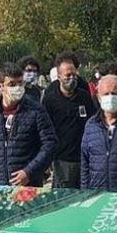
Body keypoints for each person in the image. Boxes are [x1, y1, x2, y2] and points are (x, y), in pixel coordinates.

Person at [0, 63, 57, 187]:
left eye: (20, 83)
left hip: (28, 186)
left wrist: (29, 172)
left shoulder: (36, 110)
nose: (17, 88)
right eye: (12, 84)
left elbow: (50, 144)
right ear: (1, 86)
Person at [41, 52, 98, 188]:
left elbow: (93, 123)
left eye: (74, 74)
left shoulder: (84, 96)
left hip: (84, 158)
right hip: (62, 161)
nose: (71, 78)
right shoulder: (50, 99)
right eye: (67, 75)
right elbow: (44, 130)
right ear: (59, 76)